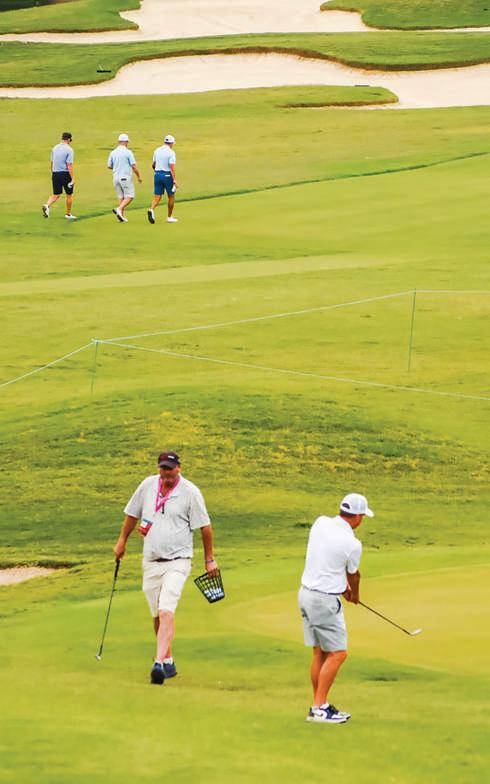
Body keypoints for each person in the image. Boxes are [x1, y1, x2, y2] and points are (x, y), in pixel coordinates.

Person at [113, 451, 218, 685]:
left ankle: (158, 663)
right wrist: (121, 542)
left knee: (166, 610)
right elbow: (132, 515)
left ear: (178, 468)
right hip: (151, 561)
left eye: (170, 468)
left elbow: (205, 527)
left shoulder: (190, 492)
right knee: (156, 615)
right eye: (163, 468)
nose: (166, 473)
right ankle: (168, 660)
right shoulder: (147, 486)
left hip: (178, 561)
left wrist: (209, 559)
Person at [298, 492, 374, 723]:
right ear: (358, 516)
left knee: (320, 652)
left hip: (305, 594)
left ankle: (319, 705)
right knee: (339, 653)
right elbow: (354, 575)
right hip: (324, 601)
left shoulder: (320, 523)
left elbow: (327, 560)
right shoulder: (353, 544)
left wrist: (342, 587)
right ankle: (318, 708)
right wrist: (354, 595)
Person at [107, 133, 142, 223]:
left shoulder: (113, 152)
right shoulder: (128, 152)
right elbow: (133, 166)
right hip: (125, 177)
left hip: (115, 178)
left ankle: (121, 216)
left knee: (121, 197)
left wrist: (117, 166)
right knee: (130, 196)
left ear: (119, 142)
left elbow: (109, 166)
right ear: (126, 142)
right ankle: (119, 209)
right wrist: (138, 176)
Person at [42, 131, 76, 220]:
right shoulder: (69, 150)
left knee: (56, 194)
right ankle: (68, 214)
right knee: (69, 195)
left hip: (55, 173)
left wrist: (53, 173)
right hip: (65, 174)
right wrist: (73, 178)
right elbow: (69, 165)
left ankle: (47, 205)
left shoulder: (55, 148)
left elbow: (52, 162)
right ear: (69, 139)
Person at [147, 134, 178, 225]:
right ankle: (169, 217)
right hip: (167, 175)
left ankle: (151, 209)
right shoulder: (171, 152)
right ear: (171, 143)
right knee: (171, 196)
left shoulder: (157, 150)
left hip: (157, 175)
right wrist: (174, 180)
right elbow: (172, 167)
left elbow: (153, 165)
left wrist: (157, 171)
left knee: (157, 196)